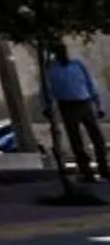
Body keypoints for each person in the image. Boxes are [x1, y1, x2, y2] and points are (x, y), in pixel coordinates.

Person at [44, 45, 107, 180]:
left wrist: (98, 105)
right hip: (67, 105)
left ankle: (104, 169)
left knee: (98, 138)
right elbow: (46, 90)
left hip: (84, 102)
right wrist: (47, 107)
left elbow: (90, 83)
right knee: (76, 140)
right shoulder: (51, 69)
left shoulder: (77, 65)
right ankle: (86, 171)